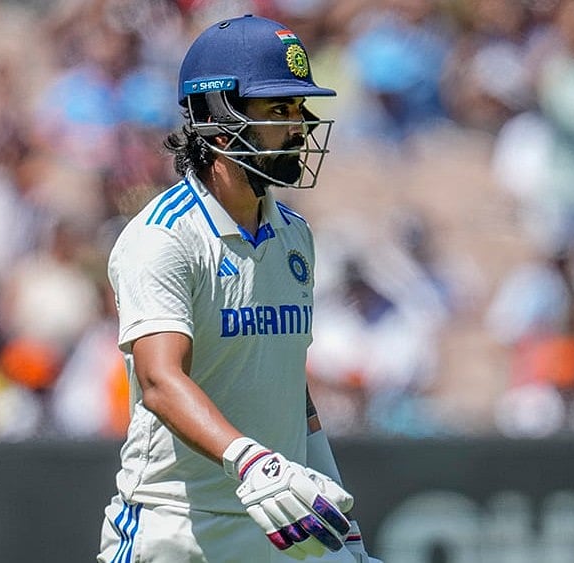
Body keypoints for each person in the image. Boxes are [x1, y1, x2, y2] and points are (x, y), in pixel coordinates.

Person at [97, 14, 381, 563]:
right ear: (219, 124)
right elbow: (159, 379)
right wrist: (249, 461)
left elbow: (288, 393)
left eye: (299, 109)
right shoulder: (163, 237)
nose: (298, 127)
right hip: (174, 529)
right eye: (279, 110)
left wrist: (343, 530)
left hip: (276, 527)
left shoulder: (295, 236)